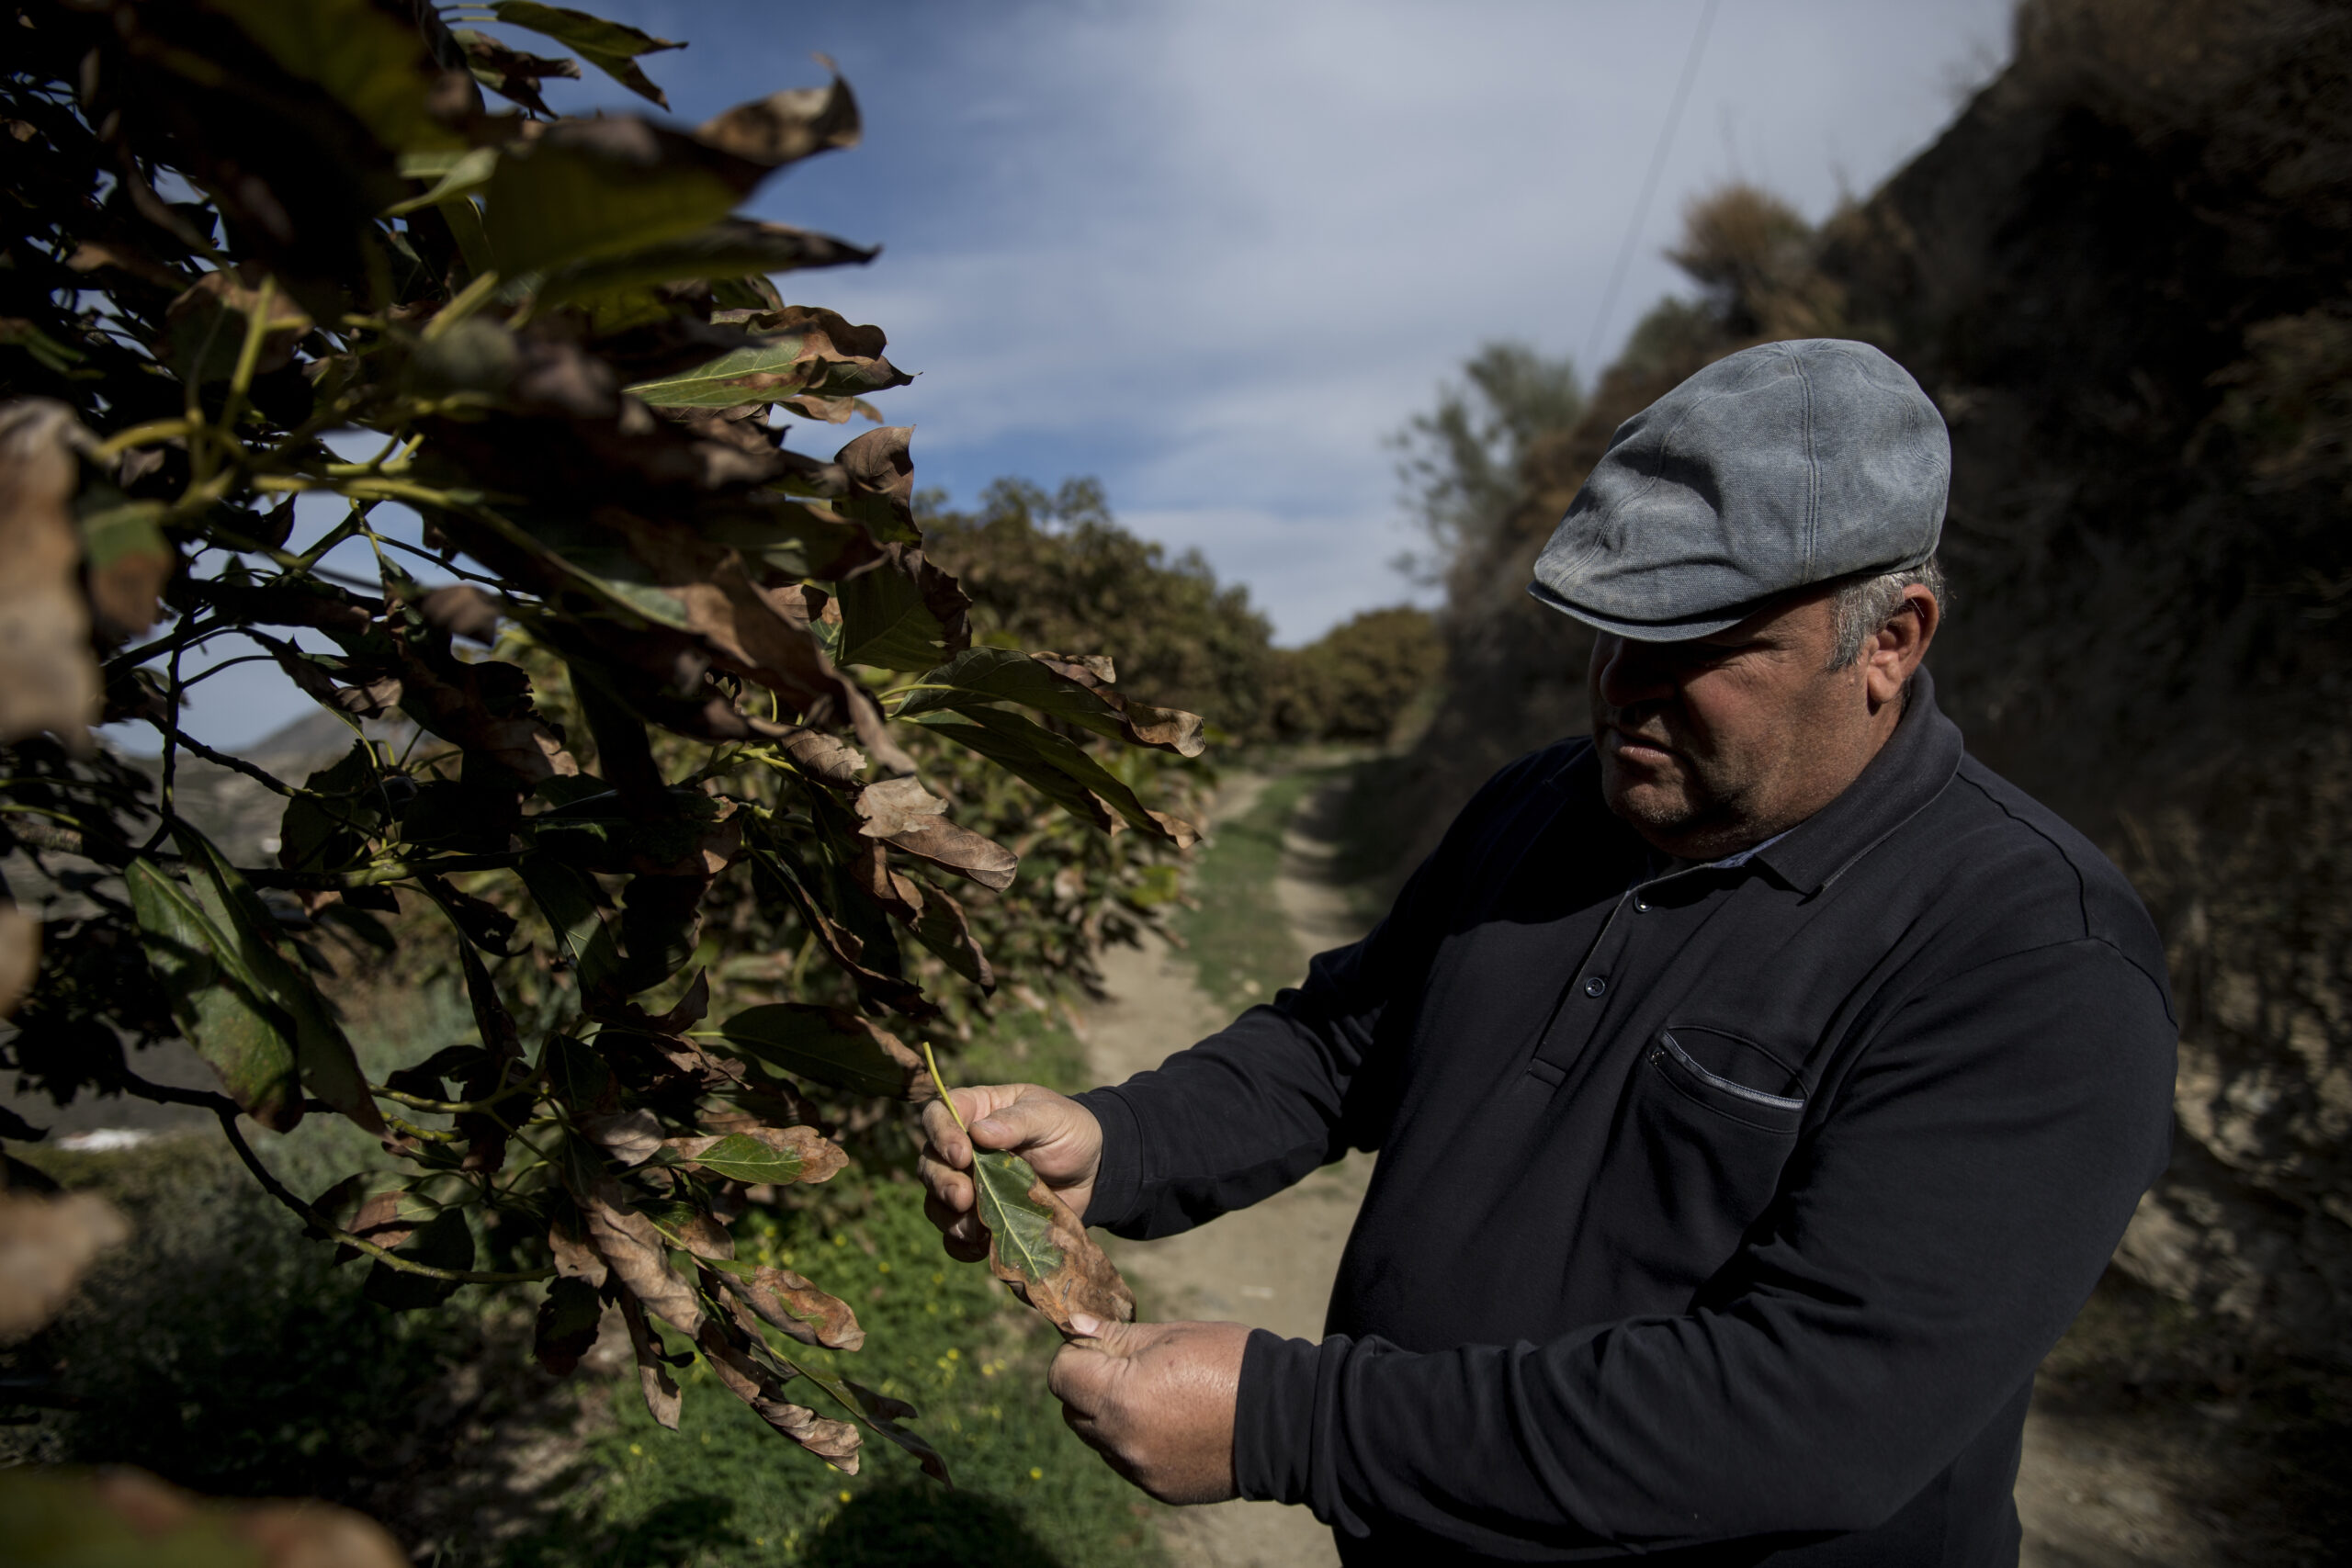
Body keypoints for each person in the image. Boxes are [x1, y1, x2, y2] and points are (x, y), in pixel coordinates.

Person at [917, 339, 2178, 1566]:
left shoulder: (2031, 958)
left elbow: (1818, 1410)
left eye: (1698, 644)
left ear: (1891, 639)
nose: (1626, 685)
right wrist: (1119, 1144)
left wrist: (1291, 1422)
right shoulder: (1548, 805)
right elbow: (1345, 1039)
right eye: (1611, 626)